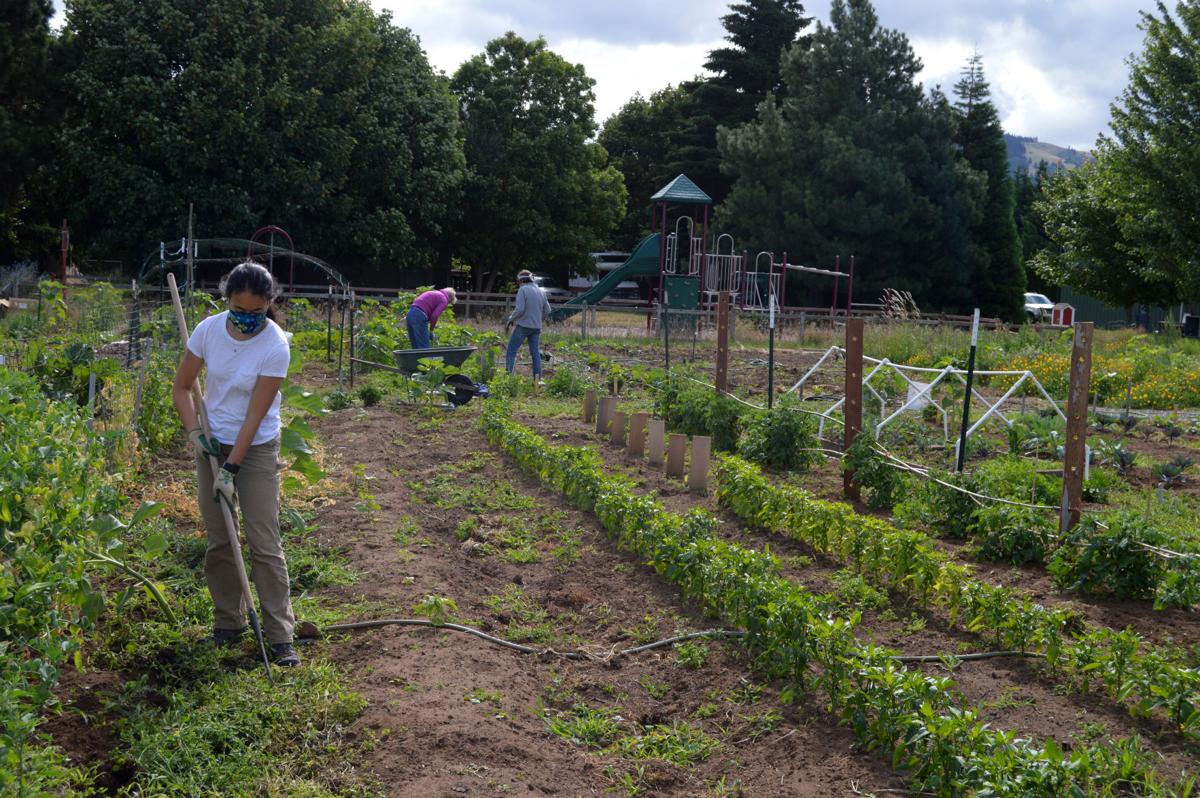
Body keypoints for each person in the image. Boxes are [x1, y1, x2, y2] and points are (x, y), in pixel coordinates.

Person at [172, 262, 300, 667]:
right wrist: (195, 433)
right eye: (238, 310)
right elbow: (181, 387)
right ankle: (228, 623)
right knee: (220, 539)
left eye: (255, 313)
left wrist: (232, 469)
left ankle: (280, 636)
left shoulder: (275, 344)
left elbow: (255, 416)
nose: (246, 319)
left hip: (256, 446)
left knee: (263, 540)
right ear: (227, 301)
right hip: (212, 442)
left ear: (268, 305)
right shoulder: (208, 330)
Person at [505, 270, 552, 382]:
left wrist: (511, 319)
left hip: (523, 326)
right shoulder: (541, 291)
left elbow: (520, 309)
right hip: (536, 327)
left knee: (511, 350)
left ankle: (508, 378)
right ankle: (538, 379)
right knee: (535, 353)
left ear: (521, 280)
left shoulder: (523, 290)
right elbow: (548, 310)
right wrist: (538, 319)